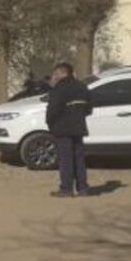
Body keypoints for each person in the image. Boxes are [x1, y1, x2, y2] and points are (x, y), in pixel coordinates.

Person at [45, 62, 93, 198]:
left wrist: (50, 124)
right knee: (79, 158)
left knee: (65, 159)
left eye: (56, 73)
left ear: (62, 73)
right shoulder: (82, 86)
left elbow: (52, 110)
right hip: (78, 127)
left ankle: (66, 189)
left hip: (62, 128)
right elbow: (89, 108)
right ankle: (82, 188)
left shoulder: (59, 88)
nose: (54, 76)